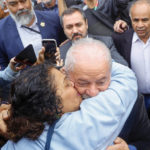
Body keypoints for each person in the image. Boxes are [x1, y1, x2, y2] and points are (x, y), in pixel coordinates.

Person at [0, 38, 137, 150]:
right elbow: (126, 77)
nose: (93, 91)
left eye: (101, 81)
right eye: (66, 83)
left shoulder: (20, 137)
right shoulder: (86, 122)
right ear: (50, 108)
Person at [64, 38, 150, 150]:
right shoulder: (58, 102)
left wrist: (129, 148)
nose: (93, 92)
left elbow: (146, 142)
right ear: (67, 76)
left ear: (110, 75)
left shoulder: (130, 99)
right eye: (83, 83)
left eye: (101, 82)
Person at [0, 0, 65, 70]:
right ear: (6, 5)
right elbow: (3, 68)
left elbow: (66, 46)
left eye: (23, 1)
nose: (20, 7)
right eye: (13, 4)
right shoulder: (2, 30)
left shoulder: (52, 19)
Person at [112, 0, 150, 111]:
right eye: (136, 20)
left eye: (145, 20)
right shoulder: (120, 39)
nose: (140, 25)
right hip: (136, 100)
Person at [59, 7, 128, 66]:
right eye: (69, 27)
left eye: (78, 25)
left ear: (86, 24)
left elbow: (123, 67)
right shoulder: (60, 53)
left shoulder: (106, 43)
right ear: (63, 29)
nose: (75, 31)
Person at [58, 0, 129, 36]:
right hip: (93, 47)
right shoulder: (78, 9)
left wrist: (122, 24)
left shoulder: (109, 2)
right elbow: (65, 19)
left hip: (114, 43)